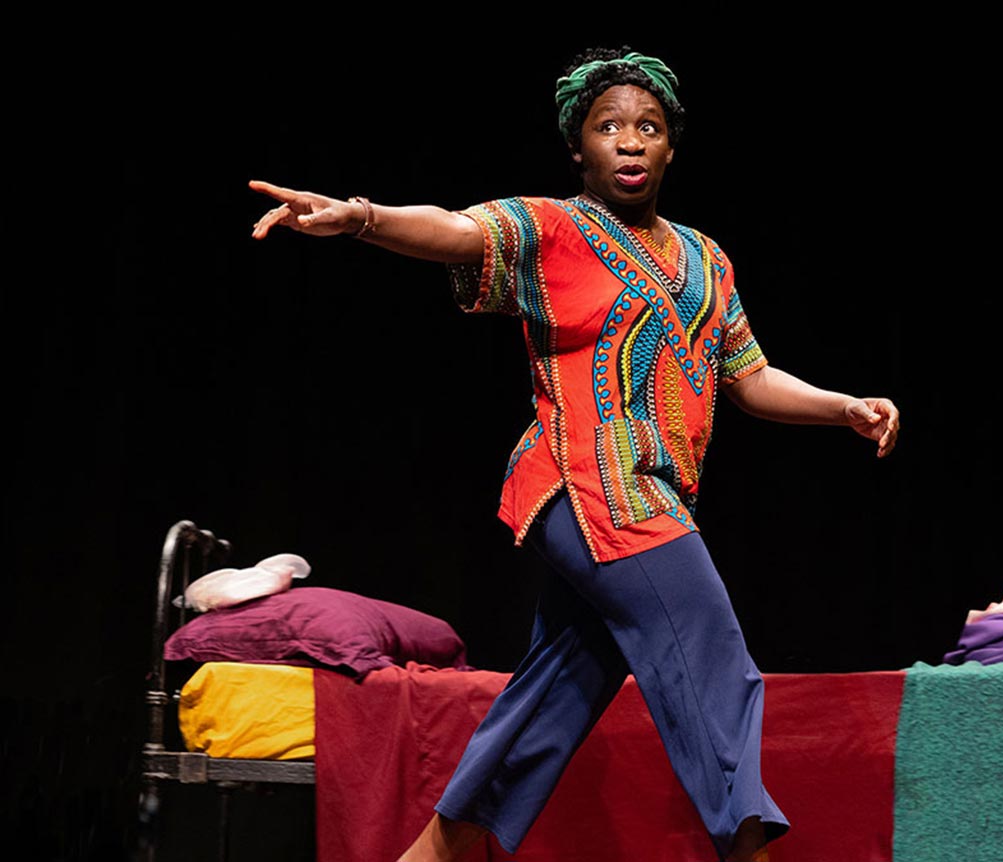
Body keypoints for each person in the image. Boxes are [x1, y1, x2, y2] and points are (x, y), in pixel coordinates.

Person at [250, 47, 898, 862]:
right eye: (609, 126)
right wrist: (364, 217)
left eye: (648, 127)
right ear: (578, 147)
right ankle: (750, 848)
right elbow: (457, 231)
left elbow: (749, 374)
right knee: (706, 642)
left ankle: (432, 854)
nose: (629, 141)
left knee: (560, 685)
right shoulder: (553, 229)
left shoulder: (706, 258)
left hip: (654, 494)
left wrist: (843, 407)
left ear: (670, 147)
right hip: (589, 486)